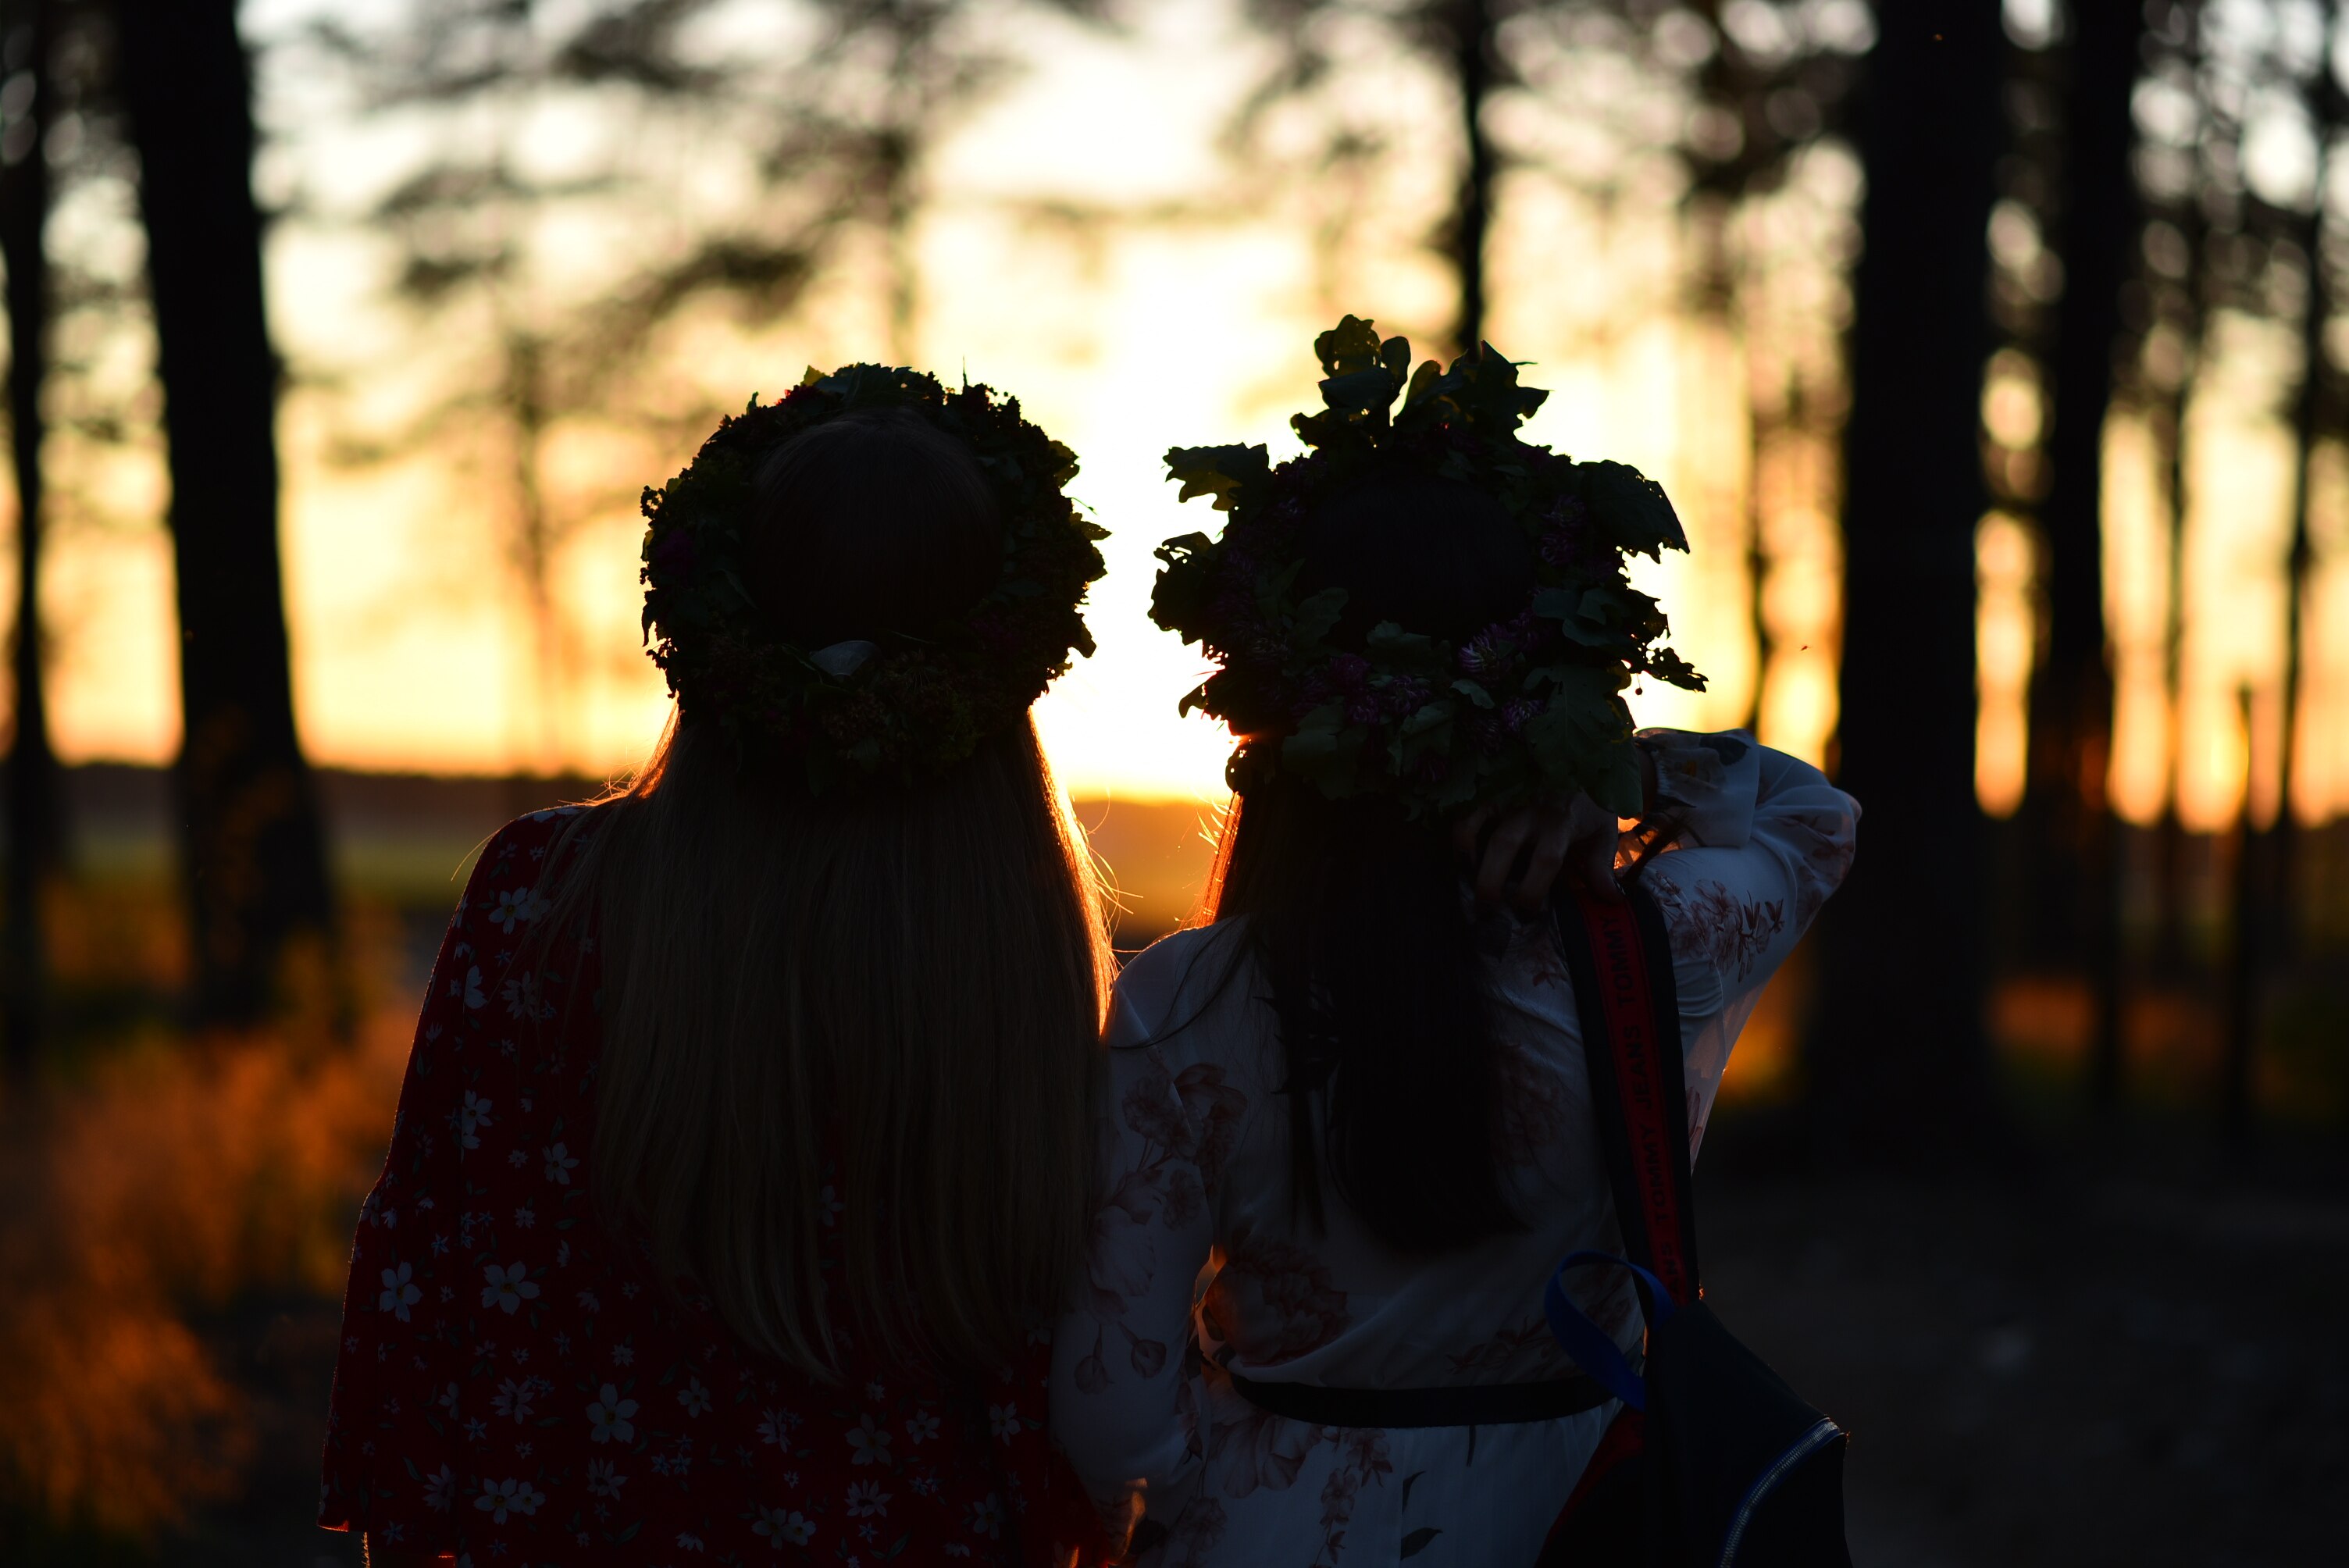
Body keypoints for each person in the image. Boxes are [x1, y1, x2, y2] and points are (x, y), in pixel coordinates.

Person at [1050, 320, 1859, 1564]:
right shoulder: (1655, 947)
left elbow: (1110, 1415)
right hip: (1588, 1525)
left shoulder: (1188, 1003)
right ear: (1560, 683)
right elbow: (1813, 816)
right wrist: (1619, 774)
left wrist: (1218, 1495)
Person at [321, 365, 1115, 1566]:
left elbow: (444, 1267)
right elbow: (1075, 1368)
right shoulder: (1026, 947)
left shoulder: (548, 899)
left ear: (720, 628)